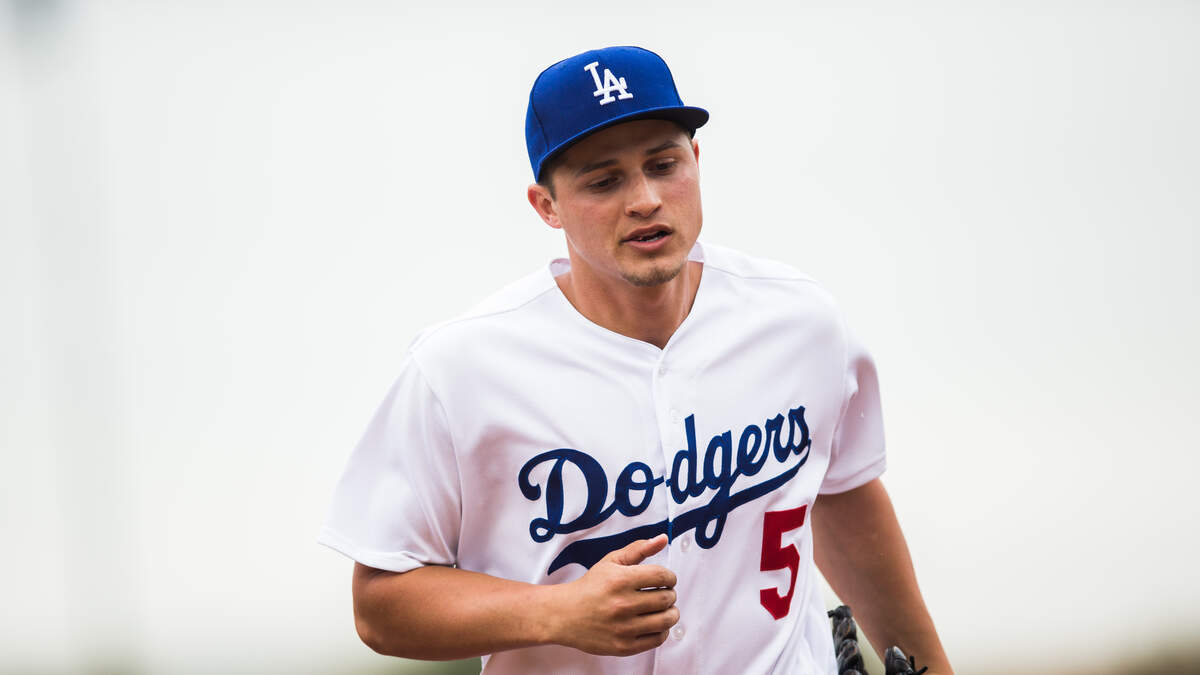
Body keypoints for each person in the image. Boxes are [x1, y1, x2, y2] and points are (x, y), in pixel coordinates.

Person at [319, 45, 952, 674]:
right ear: (547, 205)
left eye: (664, 164)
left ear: (696, 161)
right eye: (604, 180)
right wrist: (555, 613)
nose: (645, 198)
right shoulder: (460, 368)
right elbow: (382, 604)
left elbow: (840, 496)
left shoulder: (800, 323)